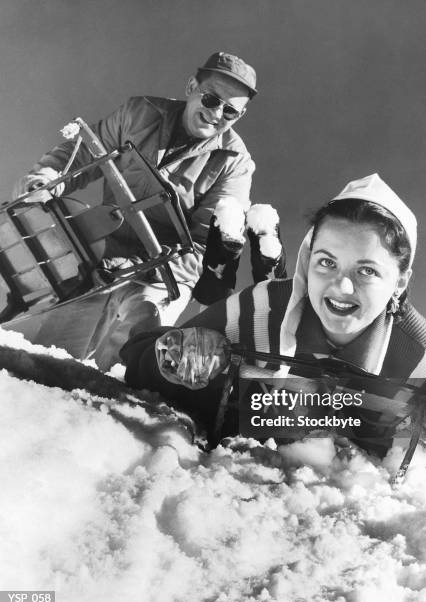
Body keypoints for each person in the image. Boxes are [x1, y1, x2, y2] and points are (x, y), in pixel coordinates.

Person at [121, 174, 426, 457]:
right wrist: (169, 357)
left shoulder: (421, 355)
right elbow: (137, 361)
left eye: (367, 271)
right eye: (326, 263)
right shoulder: (259, 310)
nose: (341, 288)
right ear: (306, 261)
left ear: (400, 281)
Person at [11, 52, 257, 371]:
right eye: (210, 99)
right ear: (191, 86)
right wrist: (45, 179)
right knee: (46, 360)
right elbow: (85, 153)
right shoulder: (139, 113)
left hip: (164, 275)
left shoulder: (235, 165)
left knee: (132, 361)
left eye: (230, 111)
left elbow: (208, 248)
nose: (216, 114)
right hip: (101, 254)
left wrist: (138, 266)